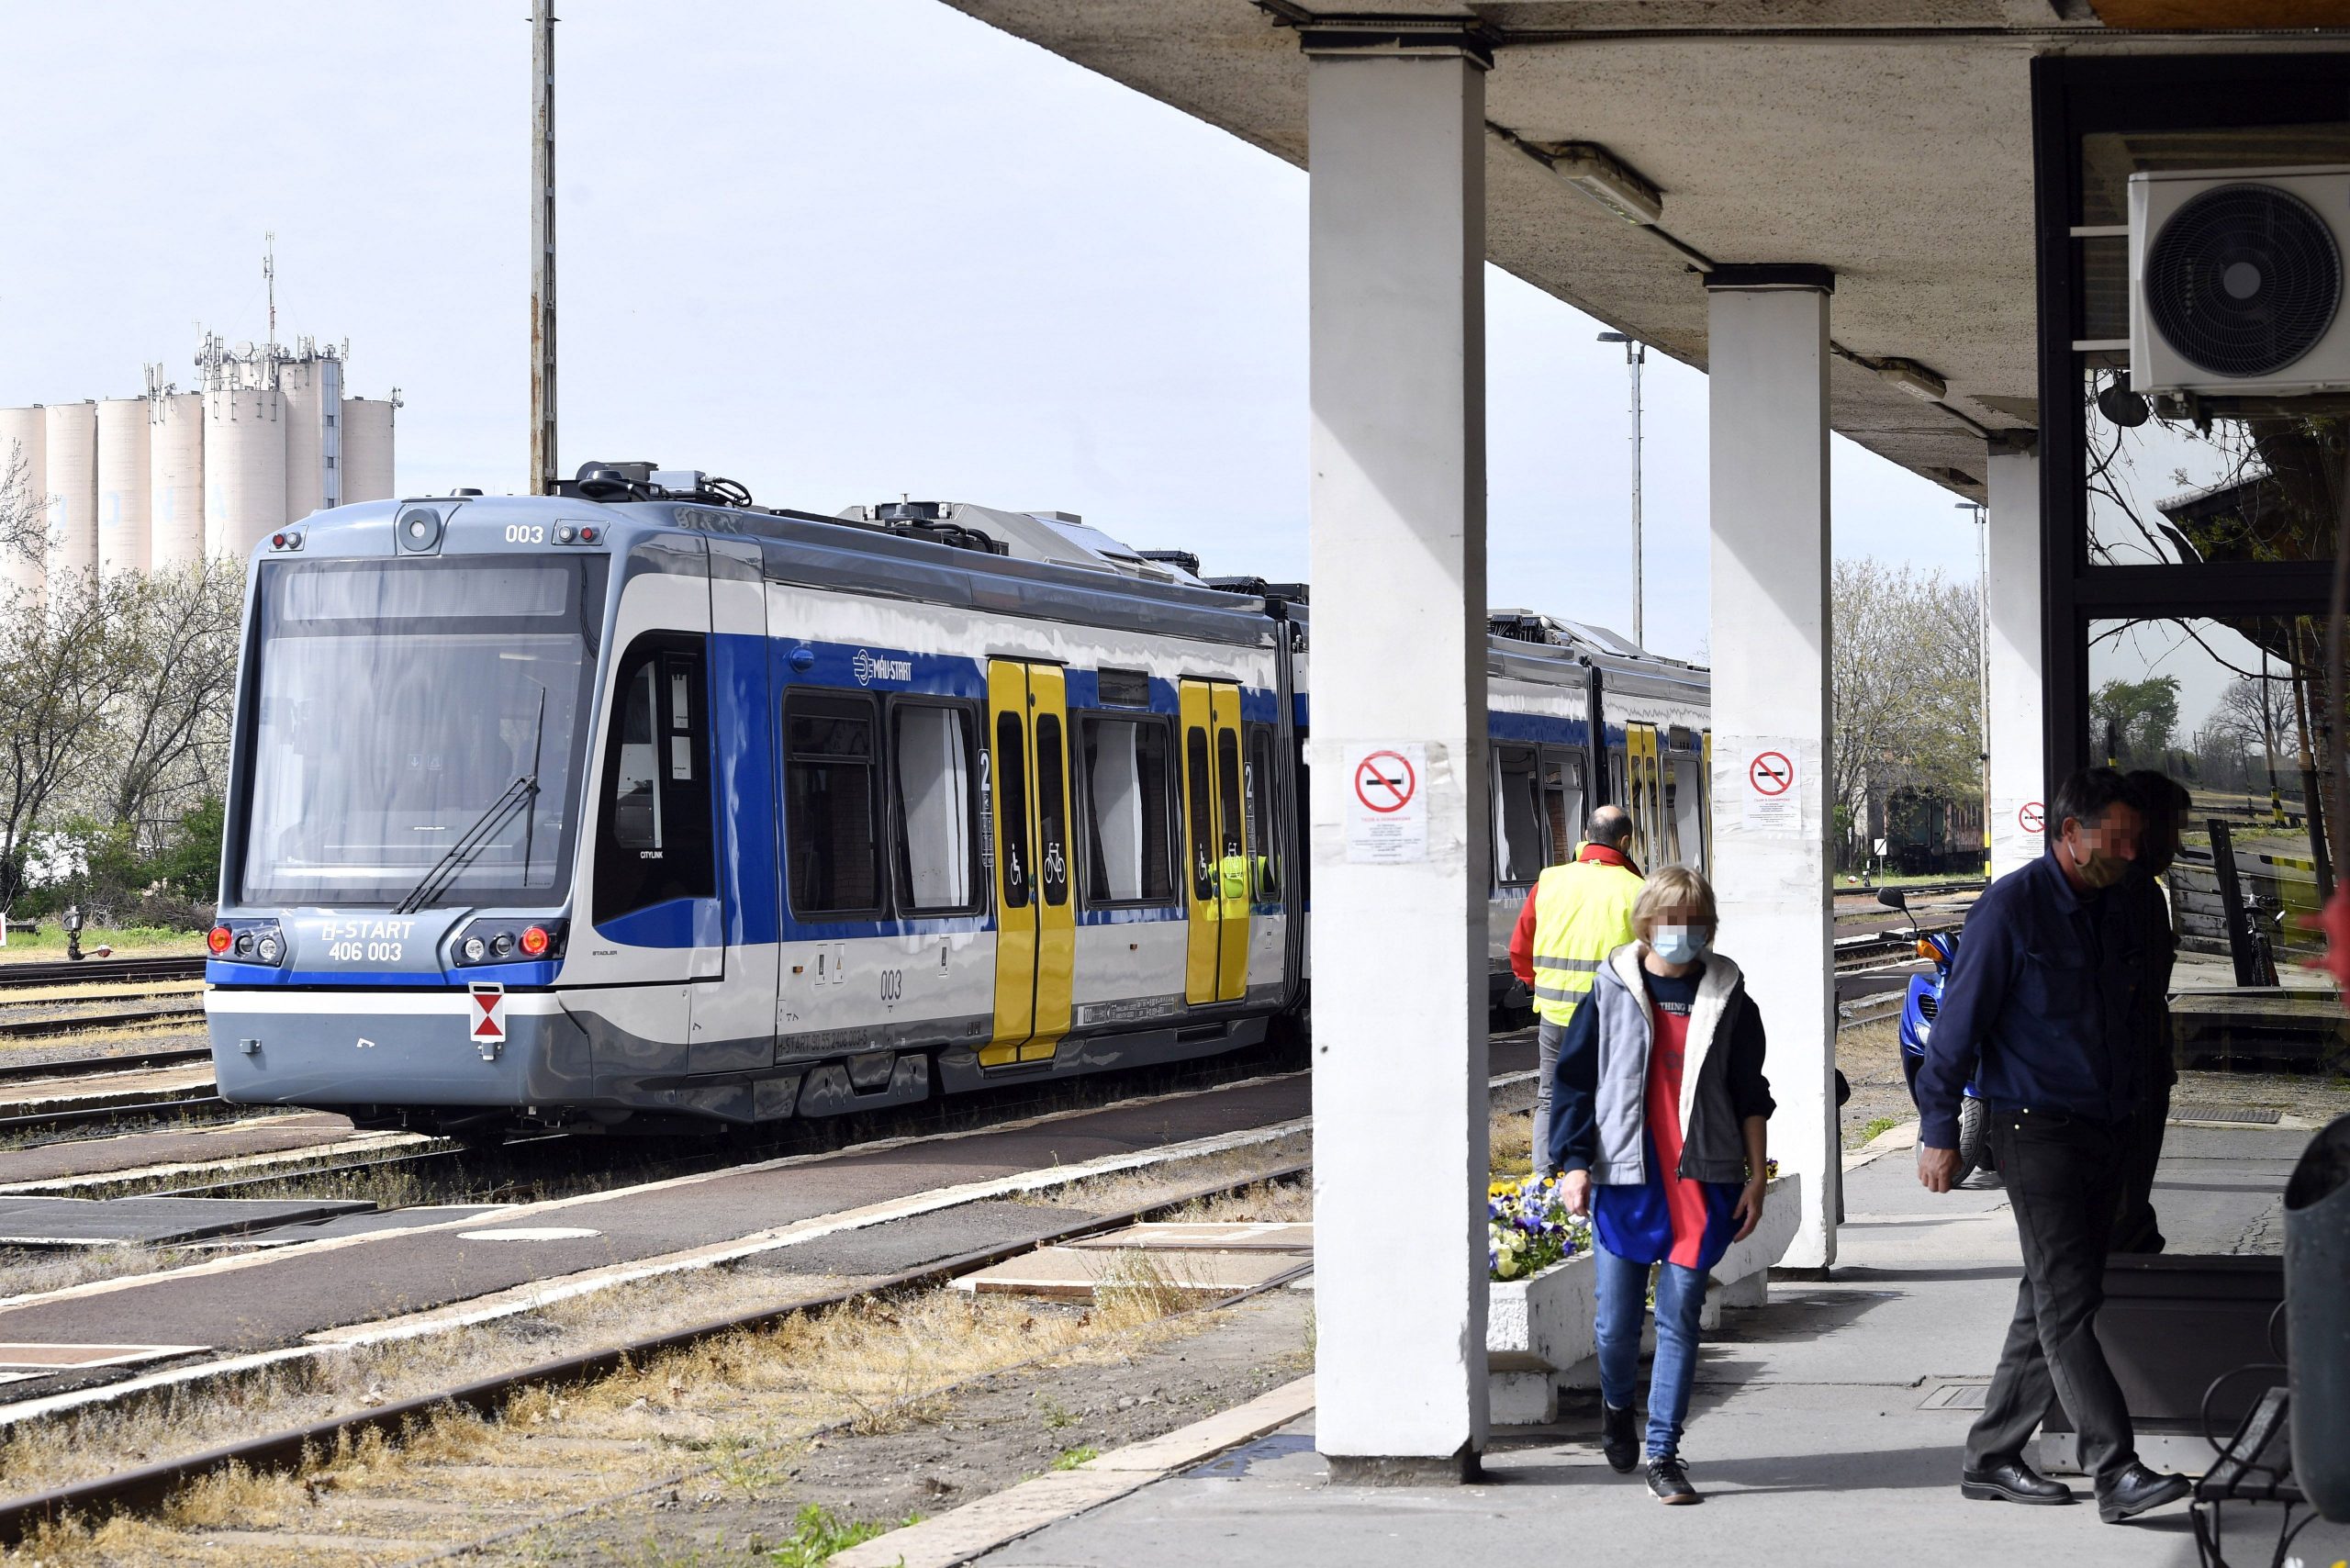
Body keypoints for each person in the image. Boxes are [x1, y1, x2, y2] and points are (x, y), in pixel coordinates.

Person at [1914, 767, 2189, 1524]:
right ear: (2071, 833)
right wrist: (1939, 1134)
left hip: (2107, 1125)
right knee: (2068, 1301)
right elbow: (1955, 1033)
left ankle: (1993, 1453)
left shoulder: (2123, 902)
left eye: (2137, 839)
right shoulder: (2012, 910)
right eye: (2119, 839)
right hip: (2034, 1130)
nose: (2132, 852)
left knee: (2051, 1293)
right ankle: (2116, 1468)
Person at [1547, 865, 1774, 1506]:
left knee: (1679, 1321)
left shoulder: (1729, 998)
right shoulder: (1609, 992)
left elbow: (1750, 1093)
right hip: (1626, 1177)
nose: (1681, 933)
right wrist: (1574, 1163)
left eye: (1694, 923)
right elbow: (1574, 1082)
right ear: (1646, 923)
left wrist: (1757, 1177)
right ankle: (1618, 1406)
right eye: (1670, 921)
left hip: (1702, 1181)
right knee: (1616, 1326)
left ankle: (1665, 1453)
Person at [1511, 804, 1643, 1170]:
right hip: (1611, 1017)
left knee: (1551, 1097)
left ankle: (1544, 1179)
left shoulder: (1550, 880)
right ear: (1626, 841)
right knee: (1609, 1095)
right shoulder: (1638, 890)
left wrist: (1533, 982)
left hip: (1555, 1013)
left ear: (1585, 837)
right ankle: (1594, 1175)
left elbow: (1521, 944)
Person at [2114, 770, 2192, 1254]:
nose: (2178, 844)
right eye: (2173, 828)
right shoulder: (2132, 894)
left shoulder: (2137, 890)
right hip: (2129, 1075)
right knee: (2123, 1203)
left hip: (2138, 1068)